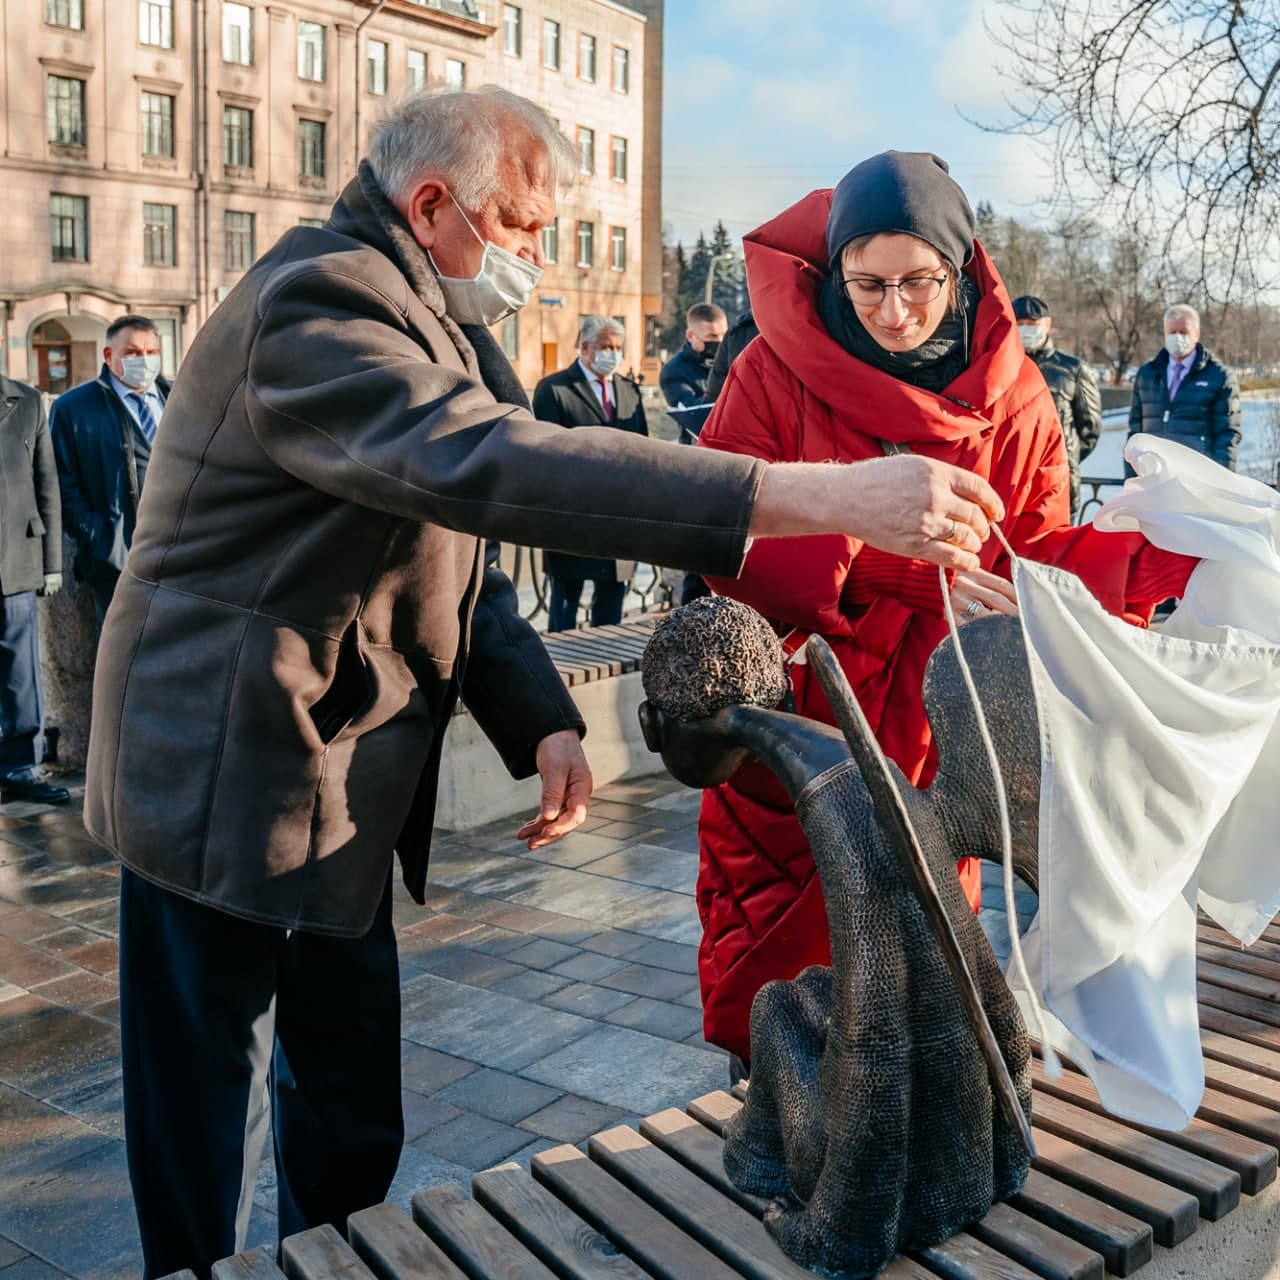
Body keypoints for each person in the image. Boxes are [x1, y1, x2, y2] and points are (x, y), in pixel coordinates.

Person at [84, 92, 1006, 1279]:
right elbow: (490, 467)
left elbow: (458, 549)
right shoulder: (317, 302)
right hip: (215, 765)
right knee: (207, 1112)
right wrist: (815, 493)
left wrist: (540, 721)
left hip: (326, 775)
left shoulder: (434, 316)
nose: (533, 259)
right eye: (519, 228)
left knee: (349, 1102)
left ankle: (324, 1260)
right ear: (432, 207)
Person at [695, 149, 1198, 1065]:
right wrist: (878, 566)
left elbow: (1033, 554)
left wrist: (1148, 563)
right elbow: (721, 540)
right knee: (787, 995)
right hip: (803, 717)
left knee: (924, 984)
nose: (892, 311)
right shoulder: (769, 372)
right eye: (867, 284)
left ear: (959, 268)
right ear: (834, 270)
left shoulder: (1020, 402)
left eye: (918, 282)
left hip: (937, 724)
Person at [50, 315, 170, 631]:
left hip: (180, 557)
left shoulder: (179, 399)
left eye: (150, 351)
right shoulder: (73, 408)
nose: (143, 360)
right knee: (123, 656)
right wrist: (102, 541)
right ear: (109, 356)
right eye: (132, 353)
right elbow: (63, 483)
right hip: (117, 562)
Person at [532, 316, 647, 630]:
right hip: (572, 516)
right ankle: (557, 674)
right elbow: (544, 453)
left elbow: (645, 451)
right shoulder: (554, 389)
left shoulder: (629, 391)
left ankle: (604, 662)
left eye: (618, 348)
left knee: (611, 606)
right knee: (565, 606)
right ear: (585, 347)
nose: (613, 353)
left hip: (620, 517)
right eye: (606, 346)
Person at [0, 344, 68, 805]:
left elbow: (48, 485)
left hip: (16, 560)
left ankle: (22, 767)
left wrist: (51, 562)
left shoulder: (26, 402)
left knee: (20, 671)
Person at [1013, 295, 1102, 519]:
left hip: (1059, 483)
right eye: (1020, 324)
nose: (1026, 330)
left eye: (1032, 324)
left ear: (1047, 324)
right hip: (1011, 479)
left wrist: (1061, 459)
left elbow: (1089, 430)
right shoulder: (1002, 366)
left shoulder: (1074, 369)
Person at [1128, 304, 1240, 471]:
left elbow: (1227, 435)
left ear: (1196, 334)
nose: (1177, 337)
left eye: (1184, 332)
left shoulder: (1219, 377)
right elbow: (1135, 432)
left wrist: (1221, 481)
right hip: (1153, 476)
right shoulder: (1147, 374)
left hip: (1196, 477)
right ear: (1165, 334)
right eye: (1172, 332)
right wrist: (1132, 476)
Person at [660, 301, 727, 414]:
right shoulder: (674, 371)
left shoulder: (733, 362)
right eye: (712, 336)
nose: (720, 341)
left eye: (724, 335)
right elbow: (692, 411)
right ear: (690, 336)